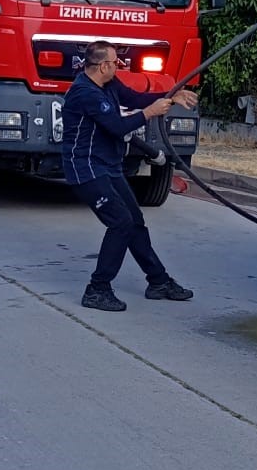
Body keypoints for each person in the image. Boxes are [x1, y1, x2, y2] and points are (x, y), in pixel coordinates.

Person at [59, 41, 198, 312]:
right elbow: (116, 127)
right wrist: (150, 113)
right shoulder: (84, 94)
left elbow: (133, 99)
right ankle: (97, 289)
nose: (119, 66)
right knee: (120, 222)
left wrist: (171, 96)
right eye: (115, 62)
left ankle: (158, 281)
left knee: (134, 220)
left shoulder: (108, 85)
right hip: (86, 169)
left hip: (108, 166)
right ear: (103, 66)